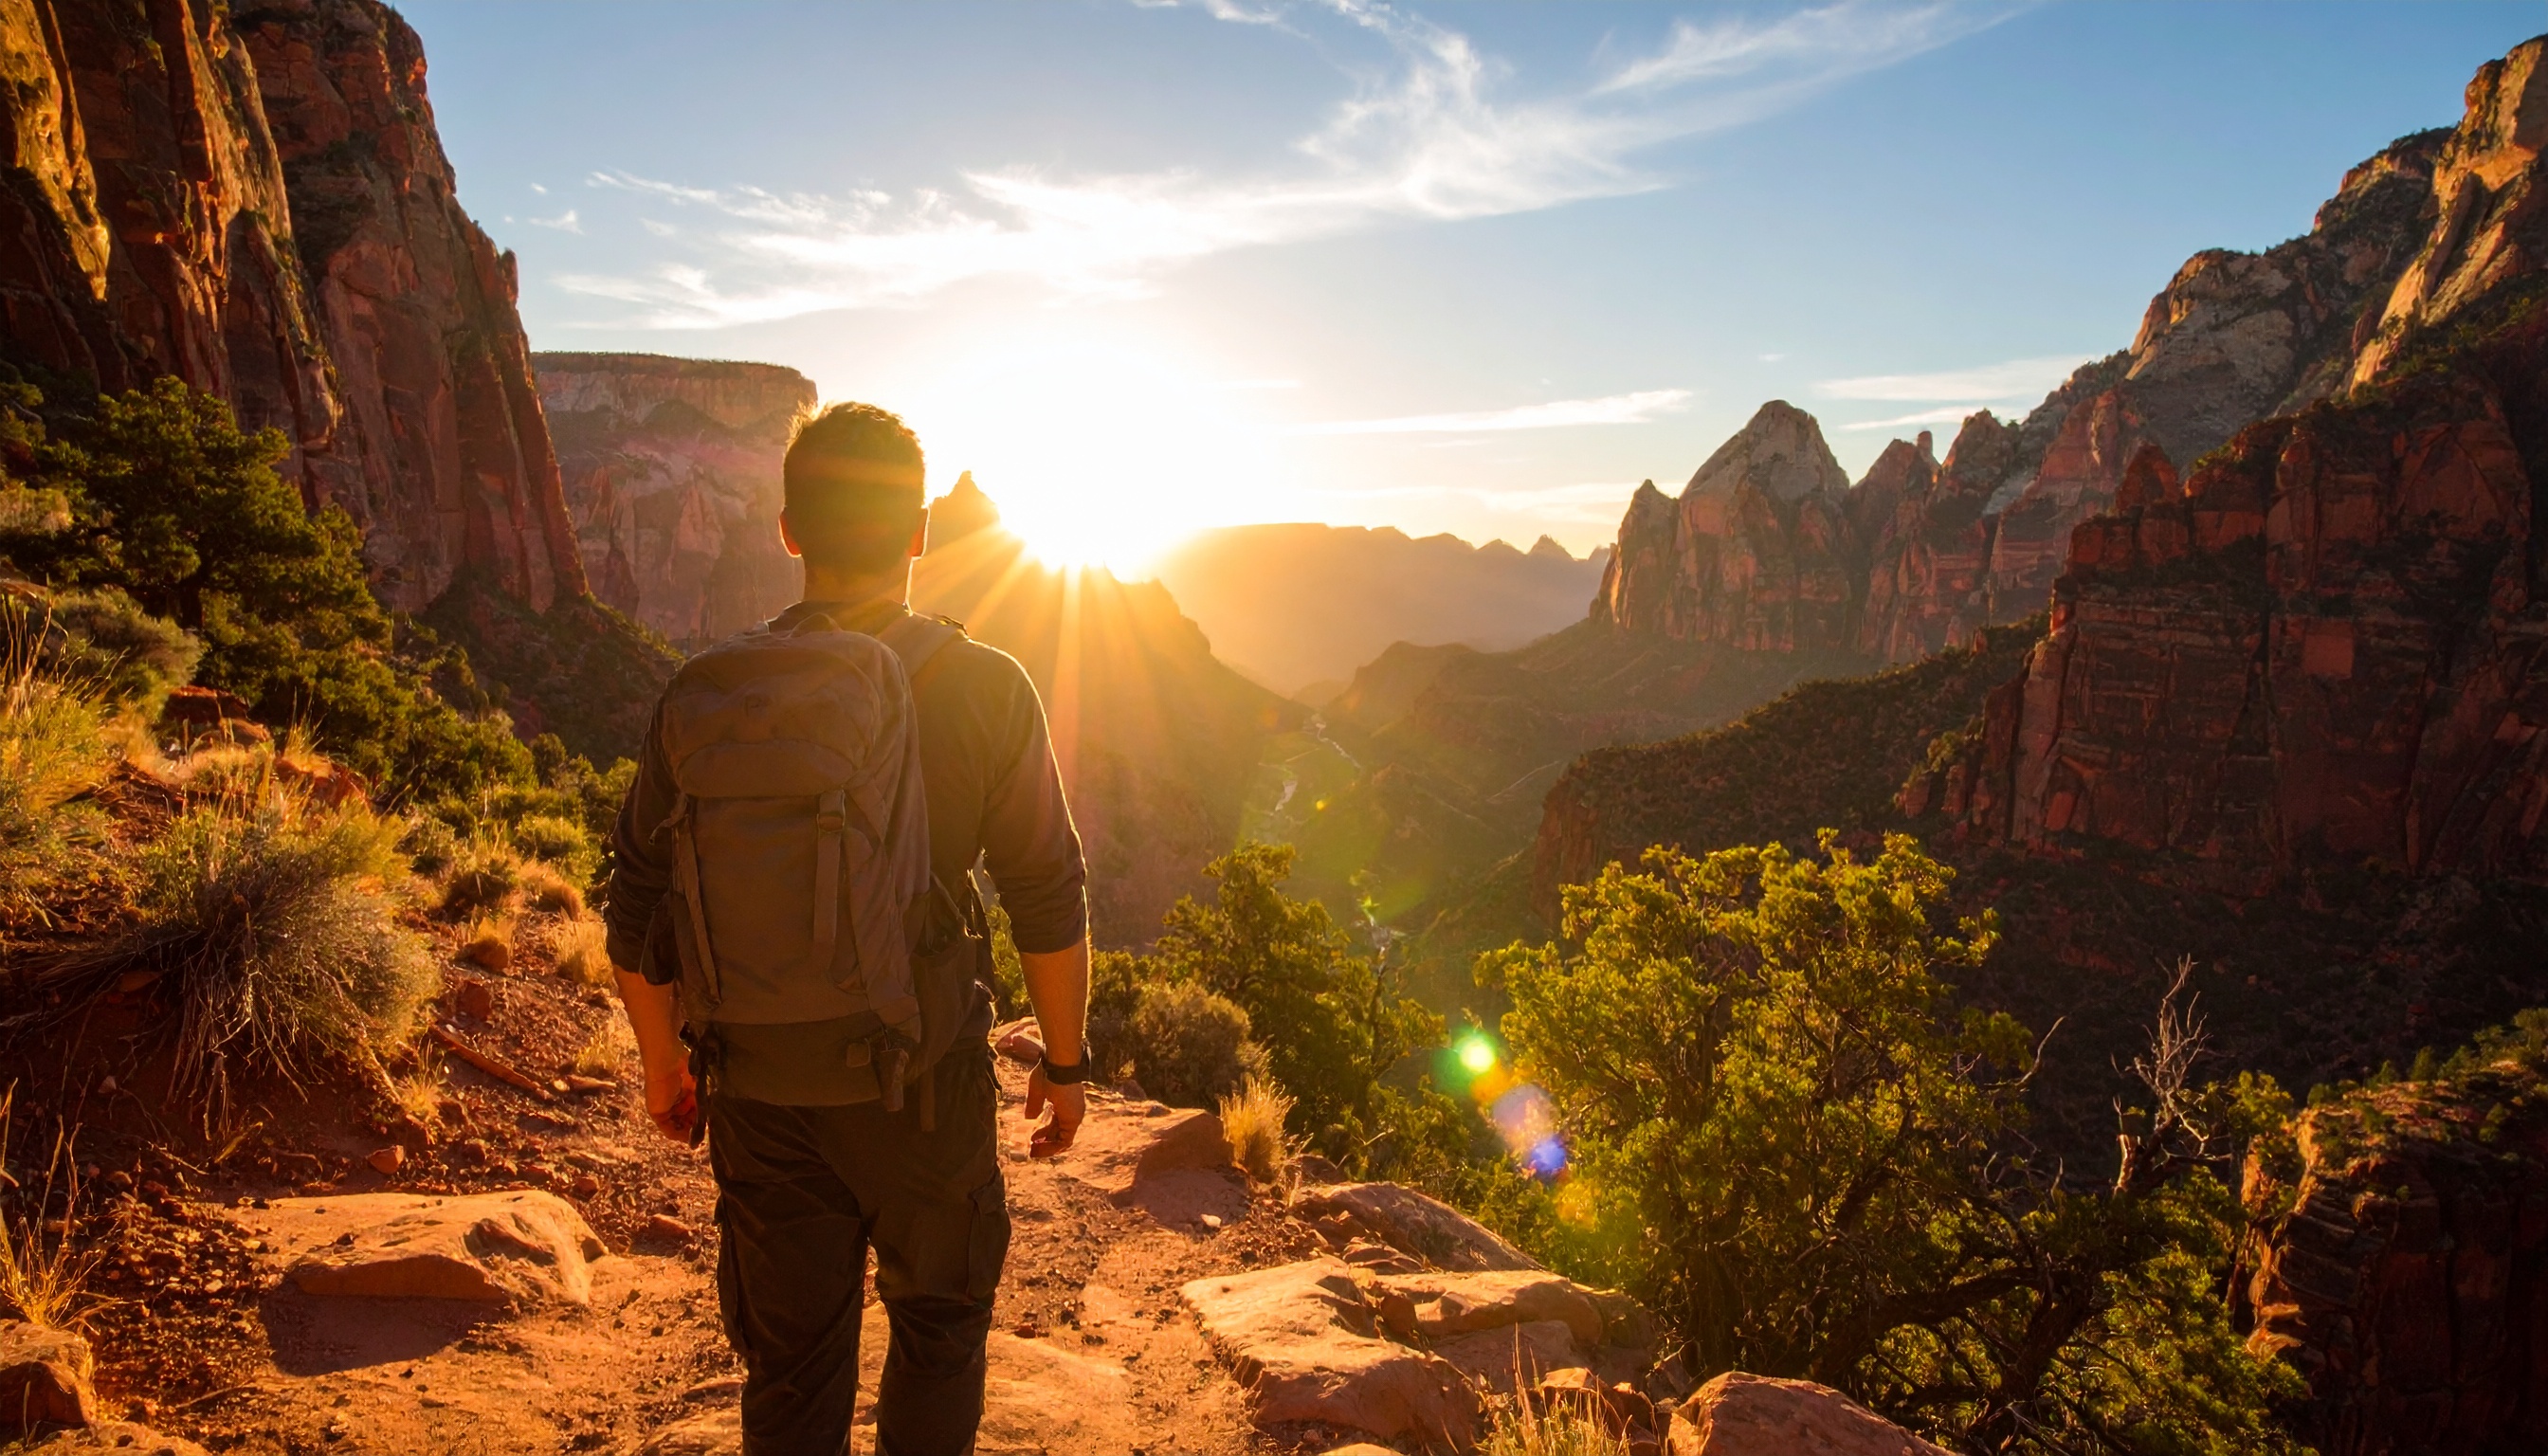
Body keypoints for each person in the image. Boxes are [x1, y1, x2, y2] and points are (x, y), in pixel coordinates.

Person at [603, 401, 1092, 1456]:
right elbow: (1048, 891)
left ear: (787, 532)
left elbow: (633, 902)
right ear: (920, 532)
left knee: (791, 1366)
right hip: (921, 1085)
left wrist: (662, 1065)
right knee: (940, 1329)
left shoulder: (706, 694)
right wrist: (1063, 1061)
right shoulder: (985, 685)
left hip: (760, 1088)